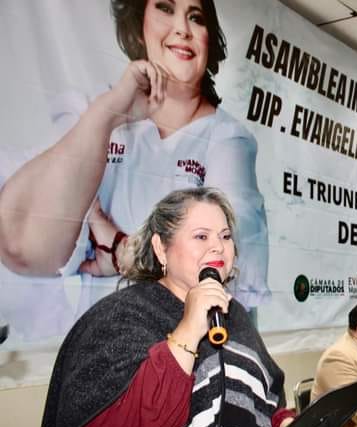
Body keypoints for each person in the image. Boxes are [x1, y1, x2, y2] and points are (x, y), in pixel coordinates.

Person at [0, 0, 269, 335]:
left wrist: (118, 248)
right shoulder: (99, 116)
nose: (182, 29)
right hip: (104, 350)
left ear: (209, 39)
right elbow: (22, 245)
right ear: (139, 25)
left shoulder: (229, 140)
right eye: (165, 9)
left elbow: (217, 262)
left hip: (188, 356)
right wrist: (109, 113)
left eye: (196, 17)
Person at [32, 188, 290, 427]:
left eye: (226, 236)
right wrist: (189, 329)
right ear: (160, 248)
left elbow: (267, 395)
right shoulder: (120, 316)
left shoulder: (236, 315)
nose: (218, 247)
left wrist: (283, 424)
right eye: (202, 236)